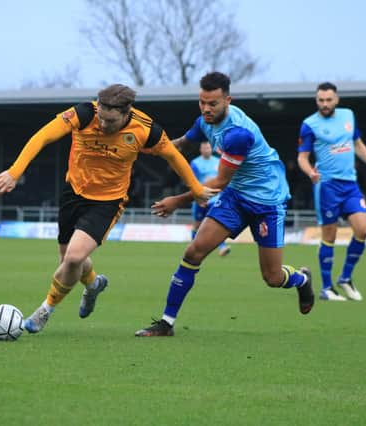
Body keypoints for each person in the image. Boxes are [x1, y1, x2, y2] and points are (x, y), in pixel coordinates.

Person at [0, 84, 217, 334]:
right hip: (73, 193)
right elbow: (43, 136)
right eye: (102, 118)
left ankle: (45, 310)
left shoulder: (146, 129)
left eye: (111, 121)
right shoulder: (84, 114)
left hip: (107, 202)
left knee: (74, 257)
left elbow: (174, 156)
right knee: (69, 262)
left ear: (127, 112)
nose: (104, 125)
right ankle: (94, 283)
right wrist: (15, 172)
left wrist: (195, 189)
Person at [135, 72, 314, 337]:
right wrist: (144, 151)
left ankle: (302, 279)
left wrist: (177, 201)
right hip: (236, 196)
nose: (206, 109)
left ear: (227, 100)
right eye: (202, 102)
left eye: (213, 104)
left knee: (273, 278)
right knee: (193, 253)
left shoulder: (237, 134)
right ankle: (166, 323)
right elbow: (181, 145)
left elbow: (218, 181)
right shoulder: (204, 121)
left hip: (267, 202)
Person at [297, 82, 366, 302]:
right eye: (321, 100)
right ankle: (327, 288)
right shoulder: (309, 124)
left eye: (329, 100)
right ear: (316, 100)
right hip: (326, 186)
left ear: (336, 99)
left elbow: (357, 144)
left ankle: (345, 278)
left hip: (350, 185)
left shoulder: (348, 116)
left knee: (363, 230)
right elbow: (302, 157)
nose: (325, 104)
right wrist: (311, 173)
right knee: (330, 237)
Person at [189, 141, 230, 257]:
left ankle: (222, 247)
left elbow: (224, 177)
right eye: (204, 148)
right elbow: (192, 181)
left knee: (217, 223)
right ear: (200, 149)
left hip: (215, 199)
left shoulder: (218, 162)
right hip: (201, 198)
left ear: (211, 149)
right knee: (197, 224)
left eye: (208, 147)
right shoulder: (195, 163)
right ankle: (193, 245)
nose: (207, 150)